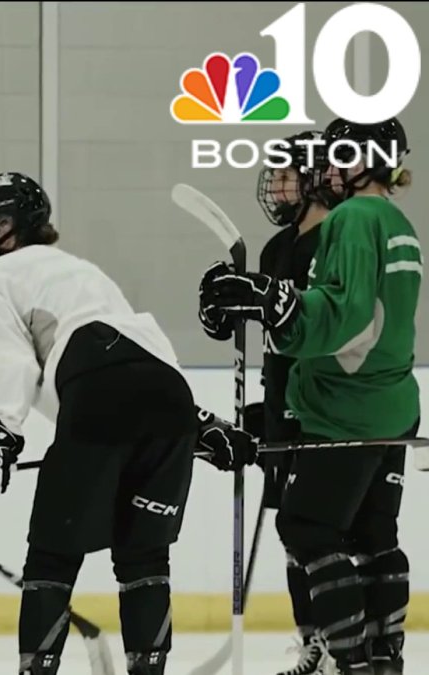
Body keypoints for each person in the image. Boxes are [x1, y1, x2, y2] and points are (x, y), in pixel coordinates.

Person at [0, 171, 257, 675]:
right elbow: (139, 345)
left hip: (100, 391)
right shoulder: (78, 268)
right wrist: (197, 422)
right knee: (145, 554)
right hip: (165, 393)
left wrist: (0, 427)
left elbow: (15, 363)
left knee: (52, 554)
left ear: (15, 225)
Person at [199, 117, 418, 675]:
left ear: (365, 159)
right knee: (372, 536)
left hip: (343, 406)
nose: (327, 169)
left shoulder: (353, 218)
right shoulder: (395, 221)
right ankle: (382, 659)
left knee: (308, 529)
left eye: (338, 156)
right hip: (385, 399)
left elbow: (341, 316)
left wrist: (281, 307)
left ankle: (349, 662)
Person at [200, 130, 334, 675]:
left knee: (325, 530)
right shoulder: (278, 248)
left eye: (285, 176)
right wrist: (225, 312)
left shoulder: (338, 240)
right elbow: (272, 329)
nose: (275, 188)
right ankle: (313, 642)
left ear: (318, 176)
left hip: (326, 408)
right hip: (283, 405)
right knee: (290, 532)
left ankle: (341, 641)